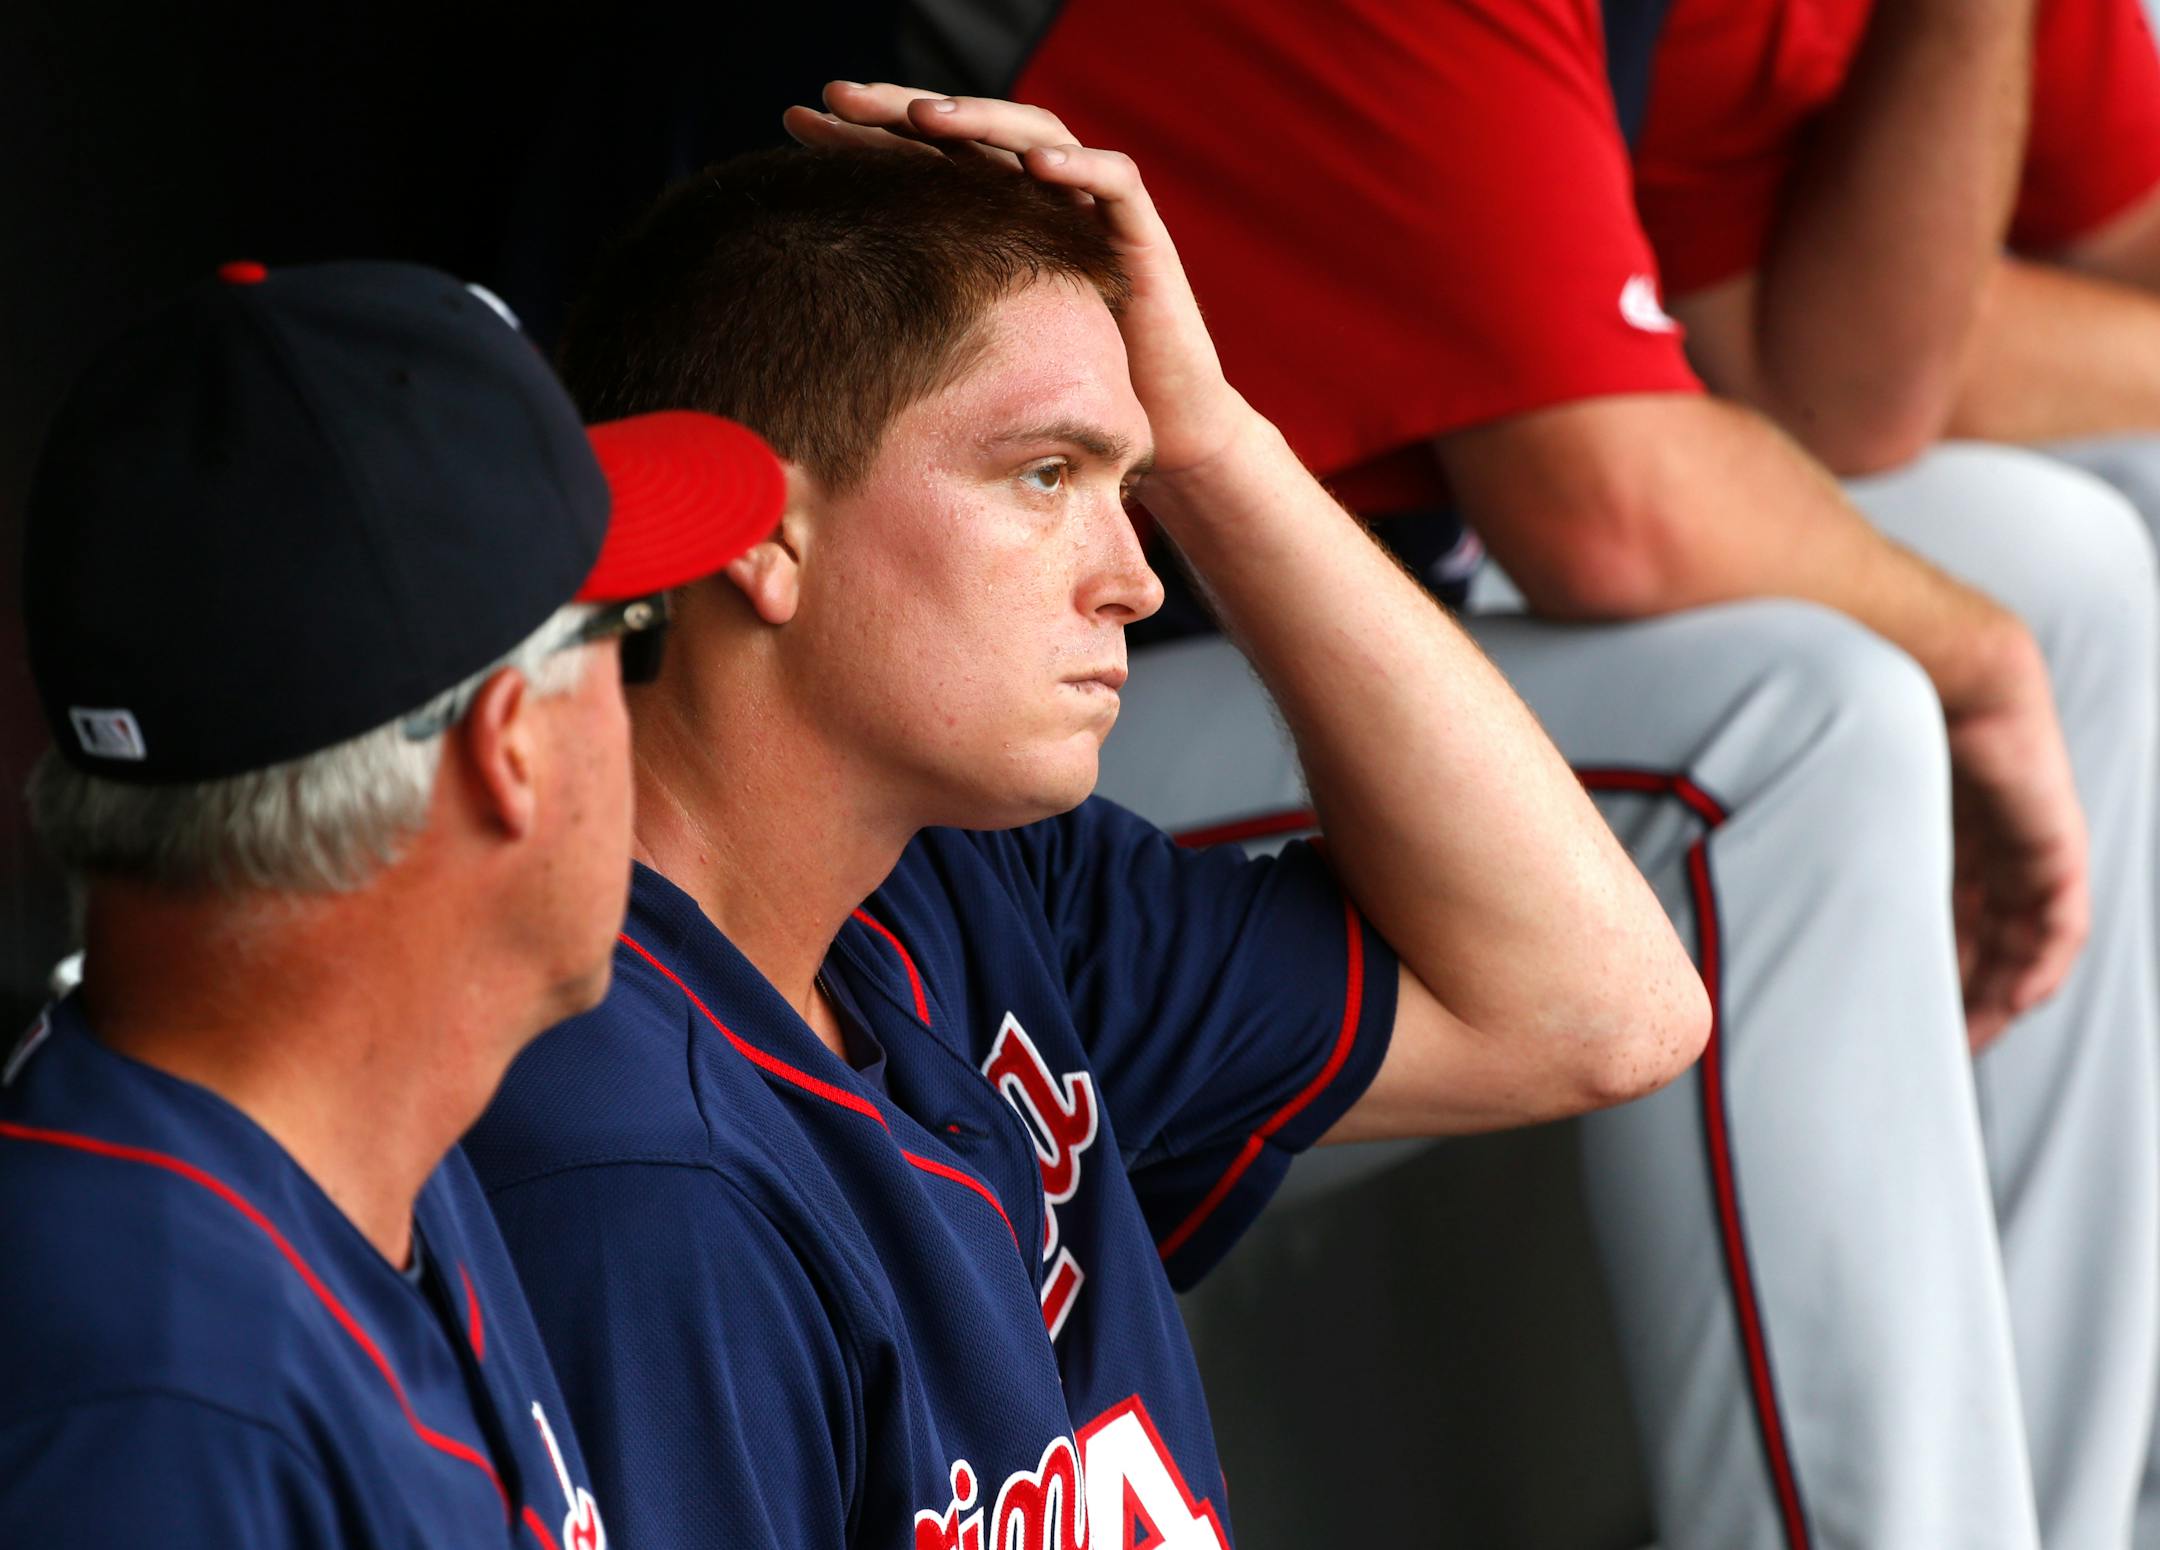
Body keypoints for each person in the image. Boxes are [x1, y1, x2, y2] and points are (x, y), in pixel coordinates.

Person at [944, 2, 2160, 1545]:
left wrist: (2004, 643)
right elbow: (1608, 503)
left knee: (2083, 563)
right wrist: (1980, 666)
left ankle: (2071, 1509)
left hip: (1315, 622)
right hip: (1011, 746)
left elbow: (1835, 377)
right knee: (1797, 727)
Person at [462, 88, 1709, 1548]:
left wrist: (1219, 446)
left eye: (1131, 484)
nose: (1135, 576)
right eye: (1045, 474)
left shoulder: (973, 890)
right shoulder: (627, 1170)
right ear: (761, 536)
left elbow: (1599, 1008)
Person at [0, 259, 783, 1545]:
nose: (639, 711)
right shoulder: (149, 1411)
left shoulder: (371, 1155)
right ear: (511, 744)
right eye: (626, 637)